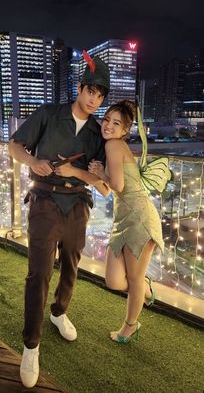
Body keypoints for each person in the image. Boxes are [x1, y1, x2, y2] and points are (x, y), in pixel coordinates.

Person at [8, 51, 110, 388]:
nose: (94, 99)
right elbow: (15, 146)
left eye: (100, 95)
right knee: (39, 272)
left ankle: (59, 312)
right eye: (91, 91)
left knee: (71, 265)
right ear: (80, 88)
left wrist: (91, 172)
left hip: (77, 204)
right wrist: (30, 162)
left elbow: (100, 180)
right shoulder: (49, 114)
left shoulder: (98, 133)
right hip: (44, 199)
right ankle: (30, 344)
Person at [88, 100, 164, 344]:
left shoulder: (113, 145)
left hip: (140, 218)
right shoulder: (114, 145)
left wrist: (100, 175)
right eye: (107, 119)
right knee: (113, 281)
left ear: (124, 131)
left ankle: (129, 326)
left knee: (131, 280)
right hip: (124, 218)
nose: (108, 125)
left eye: (116, 123)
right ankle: (144, 286)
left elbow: (118, 186)